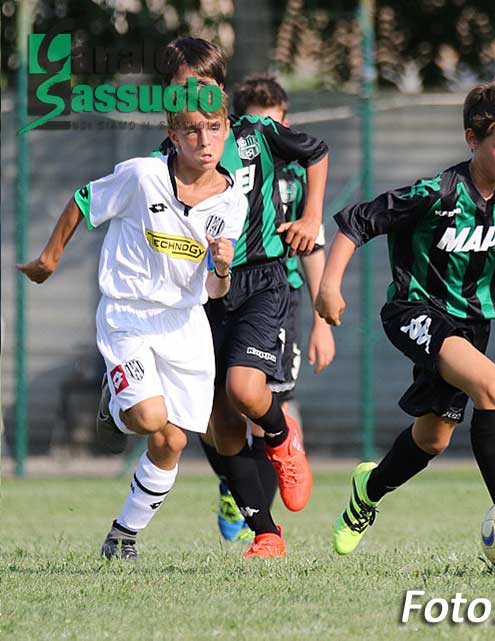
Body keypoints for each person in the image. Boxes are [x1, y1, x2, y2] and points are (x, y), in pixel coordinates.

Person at [315, 80, 495, 557]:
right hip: (415, 310)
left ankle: (368, 490)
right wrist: (329, 284)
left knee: (432, 438)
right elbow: (356, 221)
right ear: (473, 140)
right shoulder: (436, 193)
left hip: (472, 325)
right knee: (493, 386)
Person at [93, 37, 329, 557]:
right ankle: (266, 533)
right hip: (204, 293)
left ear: (221, 89)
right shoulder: (163, 159)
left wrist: (312, 218)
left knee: (246, 392)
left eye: (201, 88)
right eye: (179, 91)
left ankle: (282, 439)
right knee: (218, 426)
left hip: (263, 280)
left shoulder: (253, 134)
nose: (191, 98)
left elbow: (316, 154)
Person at [18, 86, 245, 560]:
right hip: (128, 315)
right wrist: (49, 258)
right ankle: (116, 402)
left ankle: (123, 534)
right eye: (191, 130)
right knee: (147, 418)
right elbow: (84, 199)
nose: (204, 140)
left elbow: (215, 292)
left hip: (184, 324)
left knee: (174, 439)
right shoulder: (143, 176)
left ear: (226, 130)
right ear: (173, 136)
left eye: (214, 128)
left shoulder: (232, 203)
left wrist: (221, 266)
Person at [212, 75, 336, 544]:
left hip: (276, 290)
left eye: (278, 123)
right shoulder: (205, 155)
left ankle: (262, 521)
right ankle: (234, 485)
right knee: (215, 418)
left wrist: (323, 322)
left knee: (256, 397)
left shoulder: (293, 173)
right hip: (213, 290)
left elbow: (312, 243)